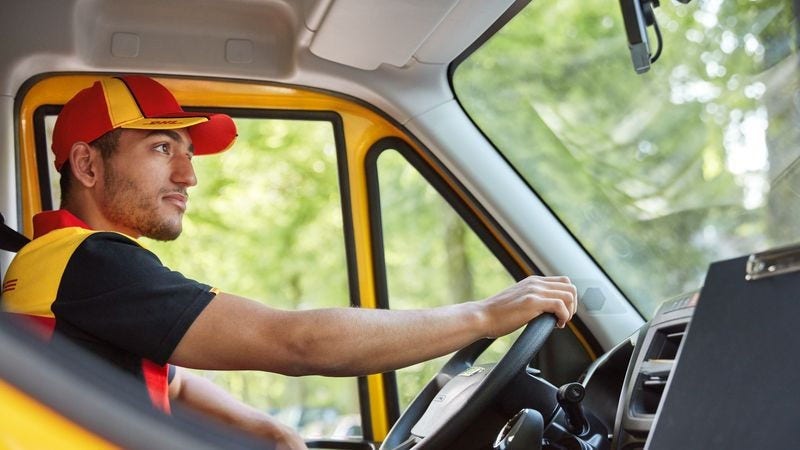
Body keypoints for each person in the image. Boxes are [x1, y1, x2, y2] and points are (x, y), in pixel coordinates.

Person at [1, 76, 578, 450]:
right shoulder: (90, 262)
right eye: (161, 149)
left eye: (187, 152)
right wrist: (485, 315)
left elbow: (163, 382)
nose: (188, 175)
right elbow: (295, 344)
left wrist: (270, 429)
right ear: (87, 165)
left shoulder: (60, 266)